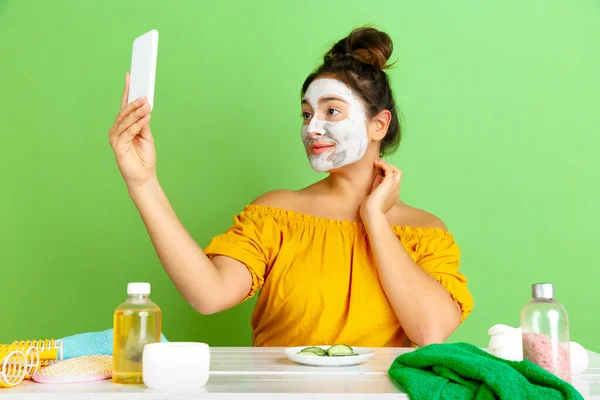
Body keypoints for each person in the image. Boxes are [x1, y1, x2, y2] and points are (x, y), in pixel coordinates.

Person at [107, 27, 473, 348]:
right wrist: (143, 183)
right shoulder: (277, 213)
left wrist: (374, 218)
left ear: (378, 125)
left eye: (332, 111)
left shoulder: (425, 233)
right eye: (306, 113)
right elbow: (208, 294)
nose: (312, 128)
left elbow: (430, 332)